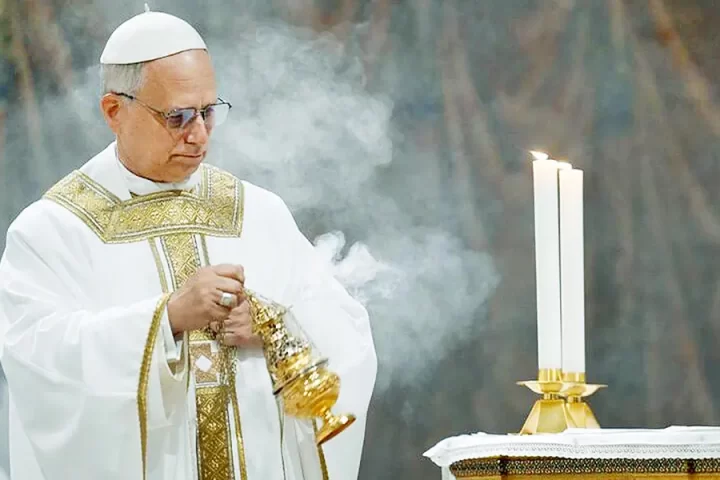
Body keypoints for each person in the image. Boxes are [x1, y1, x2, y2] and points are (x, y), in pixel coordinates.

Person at [0, 9, 377, 480]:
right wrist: (168, 319)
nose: (198, 135)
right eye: (176, 117)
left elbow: (346, 332)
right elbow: (42, 363)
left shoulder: (258, 213)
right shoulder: (53, 231)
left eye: (208, 112)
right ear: (114, 111)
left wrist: (274, 326)